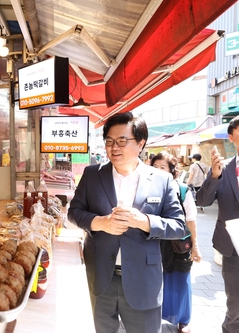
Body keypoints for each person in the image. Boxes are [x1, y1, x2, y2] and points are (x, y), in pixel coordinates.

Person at [68, 111, 186, 333]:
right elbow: (74, 212)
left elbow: (179, 226)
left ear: (140, 143)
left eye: (122, 141)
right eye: (110, 141)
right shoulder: (93, 175)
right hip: (102, 276)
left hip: (143, 280)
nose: (114, 147)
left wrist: (144, 221)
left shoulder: (161, 180)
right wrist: (99, 223)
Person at [196, 116, 239, 333]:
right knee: (235, 306)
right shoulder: (223, 170)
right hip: (233, 250)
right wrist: (214, 175)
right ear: (231, 138)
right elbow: (202, 201)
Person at [151, 151, 202, 333]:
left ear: (172, 171)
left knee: (180, 280)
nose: (158, 170)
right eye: (154, 167)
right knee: (154, 281)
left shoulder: (182, 190)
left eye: (162, 167)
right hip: (154, 243)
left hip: (178, 244)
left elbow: (191, 220)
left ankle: (183, 320)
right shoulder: (148, 189)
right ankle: (153, 317)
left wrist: (196, 247)